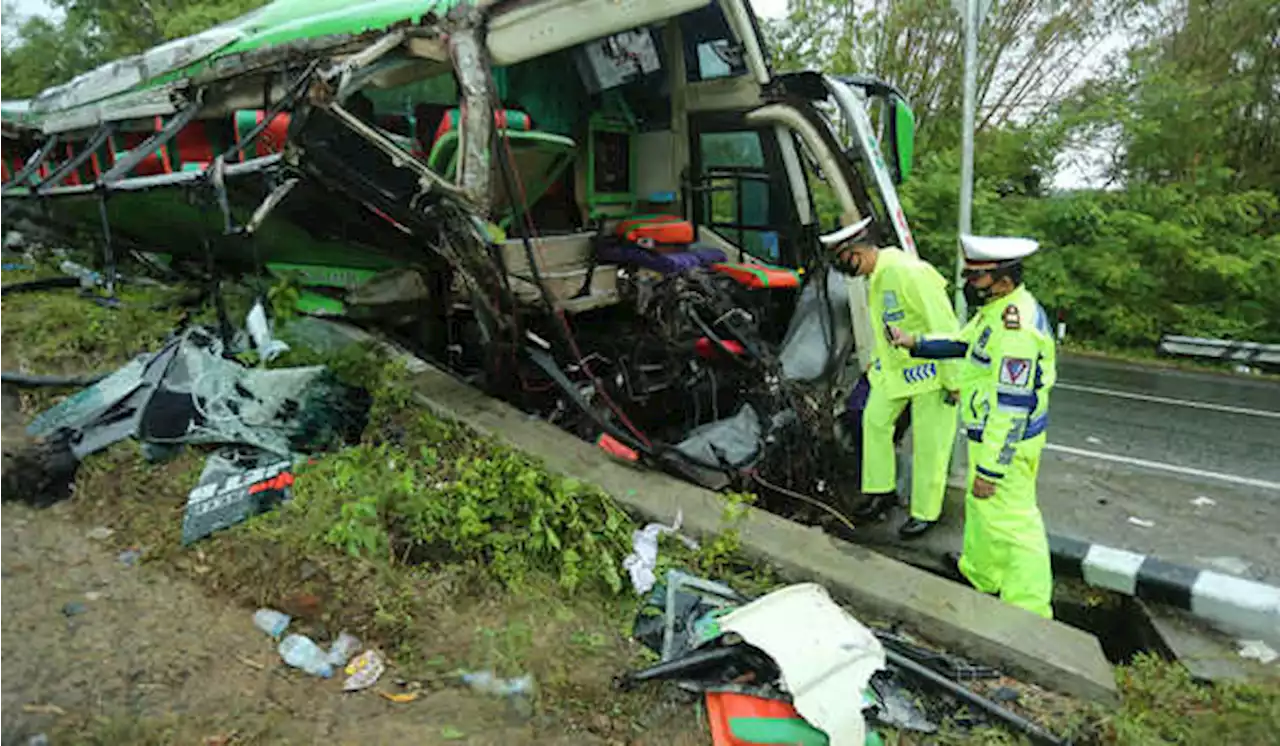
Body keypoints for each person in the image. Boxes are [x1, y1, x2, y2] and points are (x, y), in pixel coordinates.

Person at [886, 234, 1056, 619]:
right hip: (986, 433)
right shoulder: (997, 310)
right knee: (981, 510)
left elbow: (1013, 407)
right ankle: (980, 574)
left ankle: (1029, 612)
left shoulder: (1017, 331)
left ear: (1004, 279)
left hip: (1006, 444)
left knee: (1014, 526)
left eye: (976, 278)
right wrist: (915, 342)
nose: (968, 284)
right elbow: (964, 343)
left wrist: (992, 468)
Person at [819, 217, 960, 539]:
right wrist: (875, 364)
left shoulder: (910, 273)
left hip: (932, 371)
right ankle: (881, 491)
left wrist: (954, 381)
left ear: (859, 250)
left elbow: (945, 326)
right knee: (874, 422)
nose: (843, 269)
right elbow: (885, 328)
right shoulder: (876, 277)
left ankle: (926, 512)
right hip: (896, 371)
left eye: (844, 259)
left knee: (930, 444)